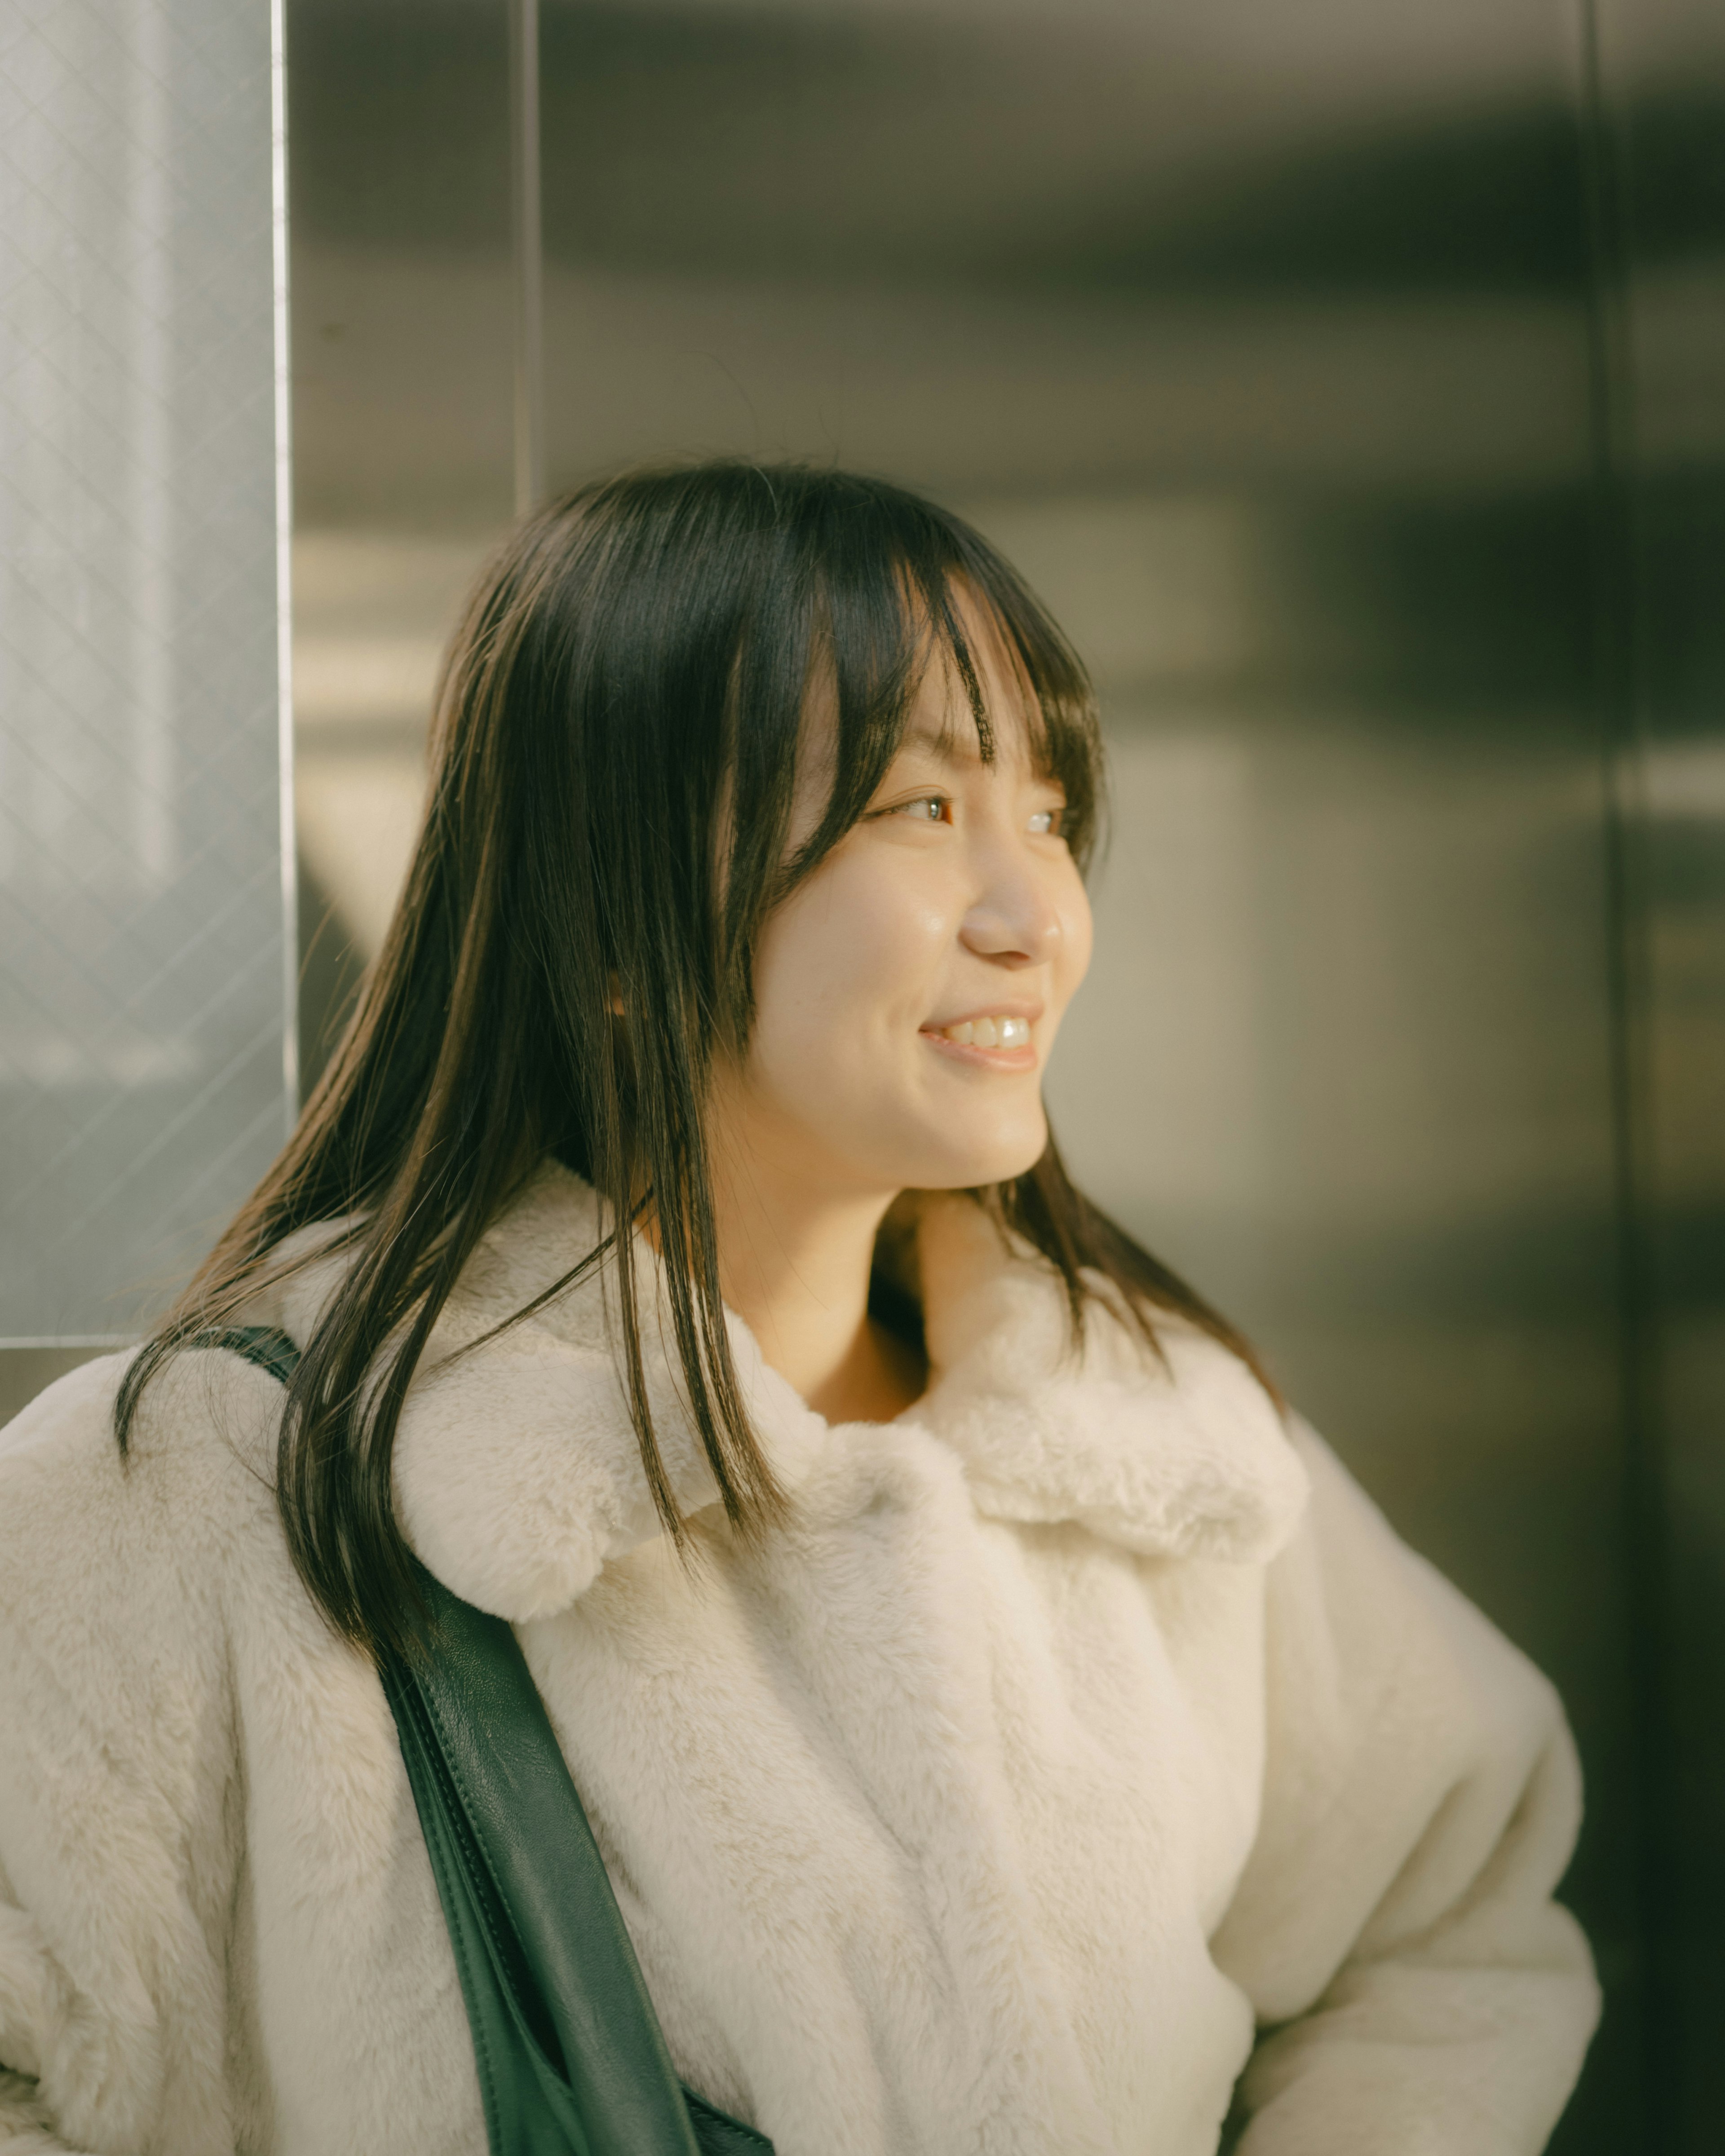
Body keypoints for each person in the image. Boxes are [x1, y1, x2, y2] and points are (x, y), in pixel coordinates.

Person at [0, 462, 1597, 2155]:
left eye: (1047, 814)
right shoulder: (229, 1476)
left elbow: (1445, 1935)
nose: (1034, 916)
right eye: (925, 810)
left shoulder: (1149, 1442)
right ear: (618, 899)